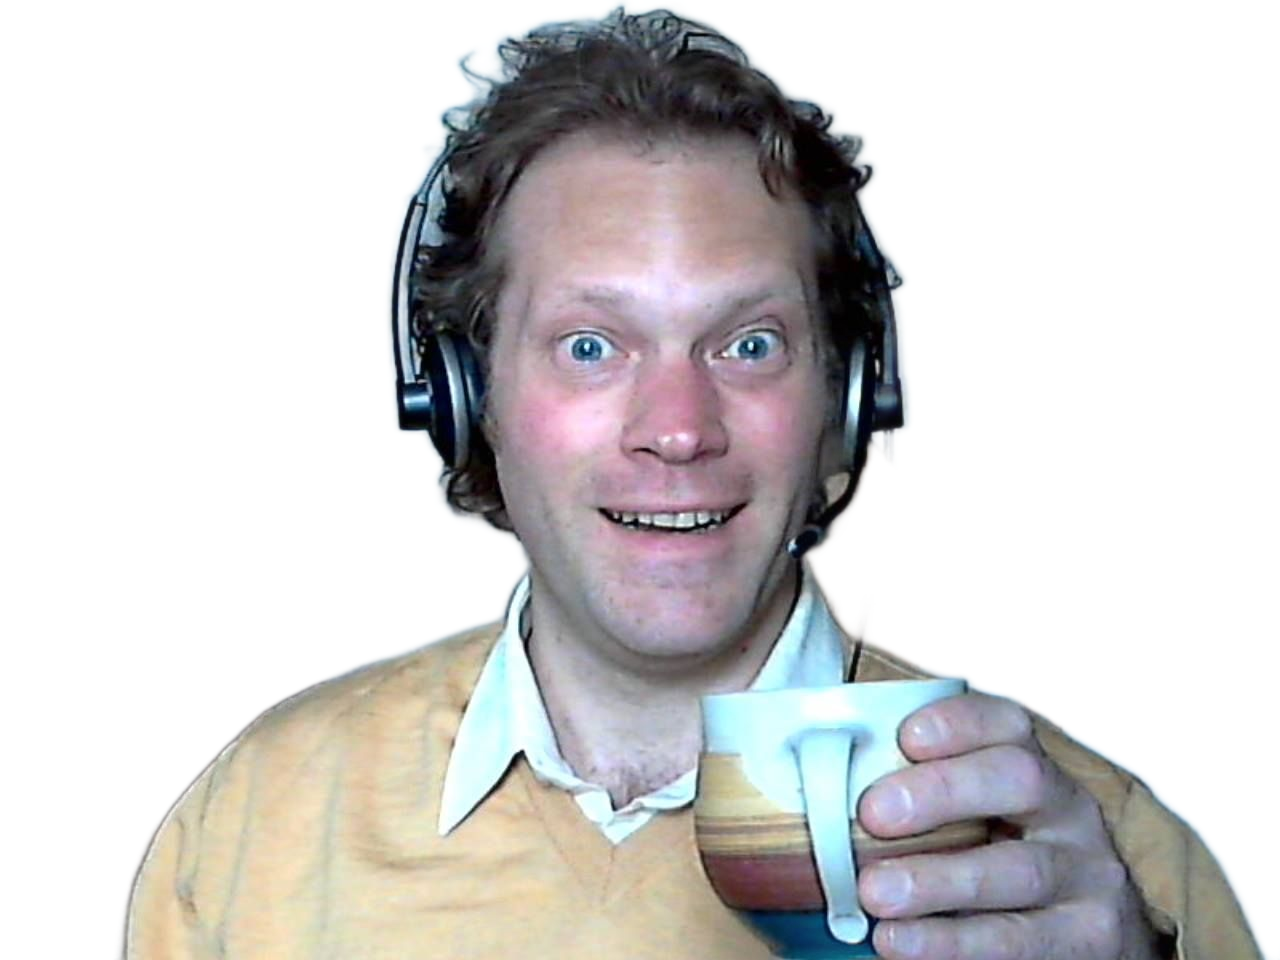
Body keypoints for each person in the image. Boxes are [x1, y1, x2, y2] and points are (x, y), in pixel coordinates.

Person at [122, 4, 1263, 958]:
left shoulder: (1088, 855)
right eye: (590, 346)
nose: (676, 431)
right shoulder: (253, 822)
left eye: (748, 344)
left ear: (848, 396)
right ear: (465, 398)